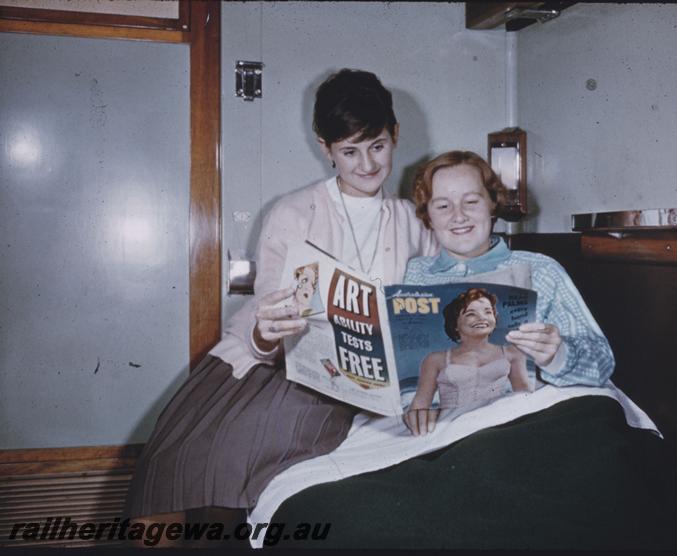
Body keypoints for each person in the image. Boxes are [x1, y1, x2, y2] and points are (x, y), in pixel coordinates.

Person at [124, 69, 437, 539]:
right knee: (183, 460)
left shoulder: (415, 222)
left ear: (394, 134)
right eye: (349, 151)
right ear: (325, 148)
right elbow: (265, 318)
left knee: (243, 462)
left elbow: (427, 309)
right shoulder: (292, 212)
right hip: (270, 366)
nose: (367, 164)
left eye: (377, 146)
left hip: (358, 382)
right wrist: (267, 330)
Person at [403, 150, 614, 435]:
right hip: (444, 430)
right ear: (427, 215)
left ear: (492, 204)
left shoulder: (541, 270)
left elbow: (602, 364)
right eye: (443, 206)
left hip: (523, 423)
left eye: (471, 201)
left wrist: (557, 355)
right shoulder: (413, 276)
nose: (459, 216)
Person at [405, 287, 530, 426]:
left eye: (488, 312)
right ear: (455, 324)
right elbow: (420, 403)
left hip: (497, 422)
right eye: (471, 314)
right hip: (452, 427)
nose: (482, 317)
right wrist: (415, 420)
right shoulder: (435, 360)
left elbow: (524, 396)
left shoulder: (513, 353)